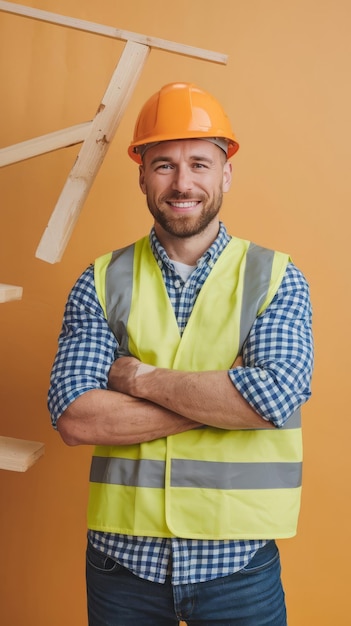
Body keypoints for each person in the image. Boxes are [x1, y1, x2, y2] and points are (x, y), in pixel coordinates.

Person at [48, 82, 313, 626]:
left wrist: (137, 378)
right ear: (142, 175)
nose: (183, 182)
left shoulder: (276, 278)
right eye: (164, 164)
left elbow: (273, 401)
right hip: (123, 565)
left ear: (226, 173)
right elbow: (75, 416)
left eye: (200, 163)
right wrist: (223, 401)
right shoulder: (100, 280)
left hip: (238, 566)